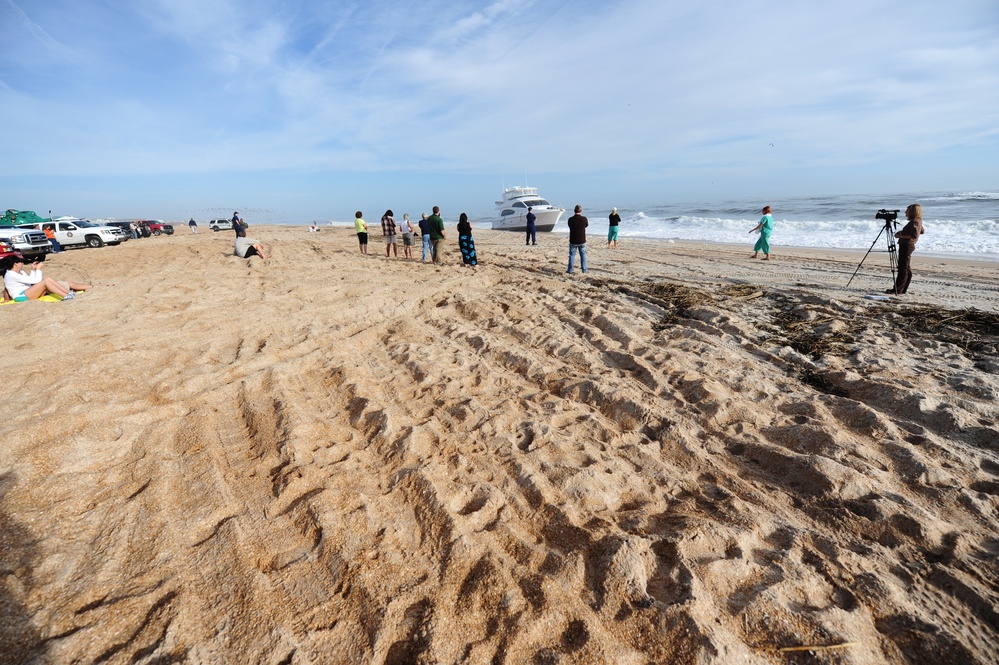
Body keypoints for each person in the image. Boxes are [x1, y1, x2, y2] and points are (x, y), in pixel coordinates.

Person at [2, 254, 90, 301]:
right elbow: (37, 281)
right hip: (21, 296)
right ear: (15, 264)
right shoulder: (11, 274)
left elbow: (31, 281)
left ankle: (68, 293)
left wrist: (33, 270)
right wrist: (39, 270)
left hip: (27, 292)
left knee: (47, 279)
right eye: (20, 262)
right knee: (45, 281)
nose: (22, 263)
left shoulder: (20, 272)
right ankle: (66, 295)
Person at [888, 204, 924, 295]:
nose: (905, 212)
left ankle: (898, 289)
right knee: (906, 267)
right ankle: (902, 289)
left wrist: (900, 235)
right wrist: (904, 232)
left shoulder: (914, 221)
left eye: (907, 210)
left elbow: (914, 235)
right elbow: (922, 231)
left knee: (903, 268)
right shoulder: (917, 221)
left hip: (907, 245)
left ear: (912, 211)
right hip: (908, 245)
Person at [567, 204, 588, 274]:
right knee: (583, 255)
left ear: (574, 210)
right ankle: (584, 269)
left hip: (573, 240)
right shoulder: (584, 219)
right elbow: (586, 225)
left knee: (572, 255)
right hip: (582, 239)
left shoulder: (570, 219)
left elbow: (569, 226)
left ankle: (570, 270)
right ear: (581, 211)